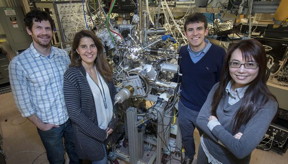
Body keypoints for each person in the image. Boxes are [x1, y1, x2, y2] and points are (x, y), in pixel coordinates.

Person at [8, 9, 79, 163]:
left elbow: (71, 85)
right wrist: (41, 125)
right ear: (29, 31)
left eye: (47, 28)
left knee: (76, 153)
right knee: (57, 158)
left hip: (70, 118)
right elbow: (23, 102)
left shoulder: (61, 55)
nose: (44, 33)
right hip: (49, 124)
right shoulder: (19, 64)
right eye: (38, 28)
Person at [196, 39, 278, 164]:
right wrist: (229, 141)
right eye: (235, 63)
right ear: (228, 65)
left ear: (260, 66)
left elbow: (241, 150)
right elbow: (201, 120)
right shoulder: (218, 87)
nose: (241, 70)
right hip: (206, 149)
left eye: (250, 64)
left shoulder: (266, 104)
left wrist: (214, 125)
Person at [175, 13, 226, 164]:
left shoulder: (218, 53)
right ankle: (190, 156)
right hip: (185, 107)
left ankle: (204, 160)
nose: (195, 33)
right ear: (185, 33)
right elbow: (179, 76)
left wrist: (217, 110)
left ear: (206, 31)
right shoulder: (182, 51)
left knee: (209, 141)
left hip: (208, 110)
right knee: (186, 137)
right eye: (190, 30)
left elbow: (223, 83)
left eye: (199, 29)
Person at [63, 30, 117, 164]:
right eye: (83, 46)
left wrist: (114, 121)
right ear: (77, 50)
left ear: (97, 48)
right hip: (90, 135)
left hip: (108, 129)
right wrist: (100, 133)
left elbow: (114, 97)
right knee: (101, 160)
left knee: (109, 155)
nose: (89, 50)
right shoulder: (72, 75)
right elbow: (74, 113)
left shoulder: (104, 69)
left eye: (92, 46)